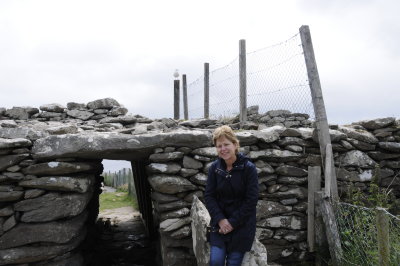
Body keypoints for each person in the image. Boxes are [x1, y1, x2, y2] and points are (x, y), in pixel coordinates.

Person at [204, 125, 259, 266]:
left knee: (233, 263)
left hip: (242, 225)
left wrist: (233, 222)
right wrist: (221, 220)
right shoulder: (214, 169)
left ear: (235, 145)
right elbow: (209, 196)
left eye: (226, 144)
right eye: (219, 146)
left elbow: (251, 200)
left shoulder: (248, 169)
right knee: (215, 261)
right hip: (220, 224)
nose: (223, 149)